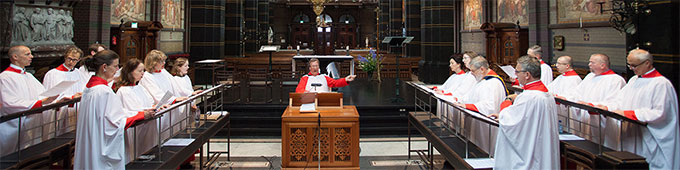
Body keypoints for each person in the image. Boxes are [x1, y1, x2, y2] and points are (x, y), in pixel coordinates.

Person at [595, 49, 678, 170]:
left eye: (634, 65)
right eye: (629, 65)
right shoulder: (634, 80)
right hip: (632, 132)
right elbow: (620, 100)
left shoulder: (661, 84)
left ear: (647, 63)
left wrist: (629, 114)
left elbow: (659, 113)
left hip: (649, 135)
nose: (631, 68)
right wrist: (607, 107)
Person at [74, 50, 154, 169]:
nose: (117, 70)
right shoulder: (103, 91)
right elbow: (115, 123)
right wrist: (140, 116)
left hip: (91, 140)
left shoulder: (90, 88)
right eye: (115, 66)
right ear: (104, 67)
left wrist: (138, 113)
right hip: (99, 143)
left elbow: (112, 114)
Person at [489, 56, 559, 169]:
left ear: (527, 75)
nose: (515, 74)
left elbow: (509, 121)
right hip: (542, 146)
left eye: (517, 71)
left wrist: (507, 100)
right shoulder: (546, 94)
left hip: (530, 152)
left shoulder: (528, 97)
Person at [0, 45, 59, 156]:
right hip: (13, 124)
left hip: (32, 121)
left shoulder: (28, 76)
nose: (31, 56)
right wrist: (40, 103)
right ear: (15, 57)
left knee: (31, 155)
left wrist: (57, 102)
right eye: (27, 54)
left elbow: (43, 95)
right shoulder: (5, 77)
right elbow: (8, 103)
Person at [559, 53, 625, 148]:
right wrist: (566, 98)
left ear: (602, 65)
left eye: (592, 62)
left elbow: (614, 102)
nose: (589, 64)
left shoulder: (616, 80)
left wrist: (592, 105)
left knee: (601, 145)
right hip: (587, 116)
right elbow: (577, 93)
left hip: (600, 119)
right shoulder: (590, 76)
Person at [454, 56, 508, 154]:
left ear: (482, 69)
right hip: (477, 124)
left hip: (486, 127)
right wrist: (459, 100)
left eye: (473, 71)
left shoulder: (493, 83)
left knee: (484, 149)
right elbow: (470, 96)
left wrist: (468, 106)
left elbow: (489, 106)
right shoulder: (482, 80)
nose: (471, 73)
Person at [113, 59, 161, 163]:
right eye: (139, 71)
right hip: (136, 127)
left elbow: (149, 101)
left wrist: (158, 106)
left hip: (147, 123)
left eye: (143, 70)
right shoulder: (124, 90)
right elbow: (130, 110)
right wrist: (146, 111)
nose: (142, 73)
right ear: (130, 72)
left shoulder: (140, 87)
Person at [140, 50, 187, 140]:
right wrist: (174, 99)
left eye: (164, 60)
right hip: (160, 109)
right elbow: (156, 94)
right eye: (161, 61)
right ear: (153, 62)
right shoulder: (147, 76)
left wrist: (187, 94)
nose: (164, 63)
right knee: (161, 136)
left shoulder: (163, 72)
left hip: (170, 106)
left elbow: (175, 85)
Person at [42, 47, 85, 138]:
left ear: (79, 60)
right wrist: (71, 96)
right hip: (60, 110)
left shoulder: (78, 73)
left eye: (75, 60)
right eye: (69, 59)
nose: (71, 62)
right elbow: (51, 94)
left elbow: (83, 88)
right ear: (65, 57)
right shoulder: (53, 74)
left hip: (74, 109)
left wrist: (81, 94)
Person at [433, 54, 477, 125]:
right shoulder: (457, 75)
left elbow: (461, 91)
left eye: (465, 58)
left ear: (458, 64)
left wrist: (445, 93)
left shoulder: (467, 76)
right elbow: (447, 87)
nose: (463, 61)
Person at [546, 56, 582, 130]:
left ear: (567, 66)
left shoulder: (574, 79)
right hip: (558, 108)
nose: (556, 65)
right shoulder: (562, 76)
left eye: (559, 63)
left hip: (566, 111)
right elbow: (549, 88)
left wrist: (562, 98)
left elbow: (573, 97)